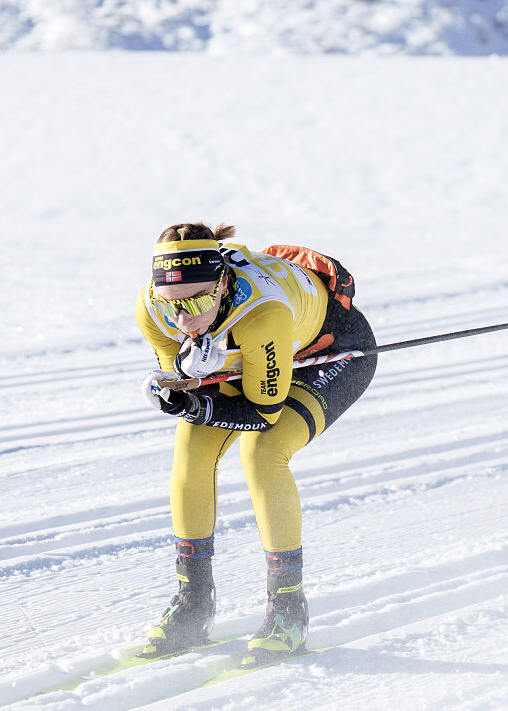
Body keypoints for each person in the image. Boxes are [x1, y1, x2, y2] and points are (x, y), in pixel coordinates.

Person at [135, 222, 376, 666]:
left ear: (223, 283)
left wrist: (197, 405)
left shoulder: (262, 312)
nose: (184, 320)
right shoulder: (151, 310)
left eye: (198, 302)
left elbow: (262, 414)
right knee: (191, 447)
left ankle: (288, 610)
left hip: (328, 351)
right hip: (253, 355)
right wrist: (182, 391)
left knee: (264, 453)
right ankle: (193, 603)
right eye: (172, 306)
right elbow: (188, 379)